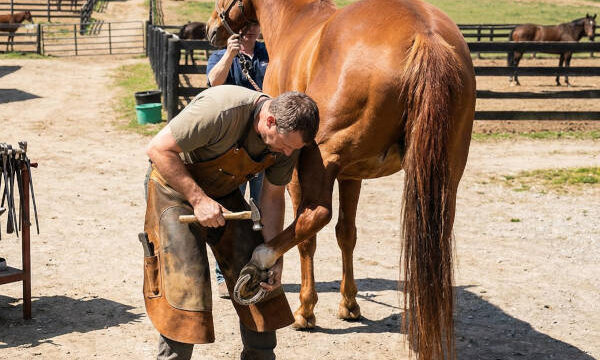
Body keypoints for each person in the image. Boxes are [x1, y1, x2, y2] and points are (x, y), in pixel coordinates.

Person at [143, 85, 319, 360]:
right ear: (269, 120)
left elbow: (272, 197)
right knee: (185, 284)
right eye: (284, 145)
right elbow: (158, 149)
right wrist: (198, 200)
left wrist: (274, 253)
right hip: (174, 189)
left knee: (258, 273)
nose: (286, 154)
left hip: (223, 192)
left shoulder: (289, 142)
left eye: (292, 149)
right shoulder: (220, 110)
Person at [206, 23, 269, 298]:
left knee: (262, 209)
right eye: (244, 27)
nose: (250, 31)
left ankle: (260, 268)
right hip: (231, 144)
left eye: (254, 26)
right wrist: (230, 55)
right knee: (229, 207)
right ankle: (224, 273)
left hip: (263, 145)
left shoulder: (269, 54)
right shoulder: (222, 54)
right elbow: (213, 82)